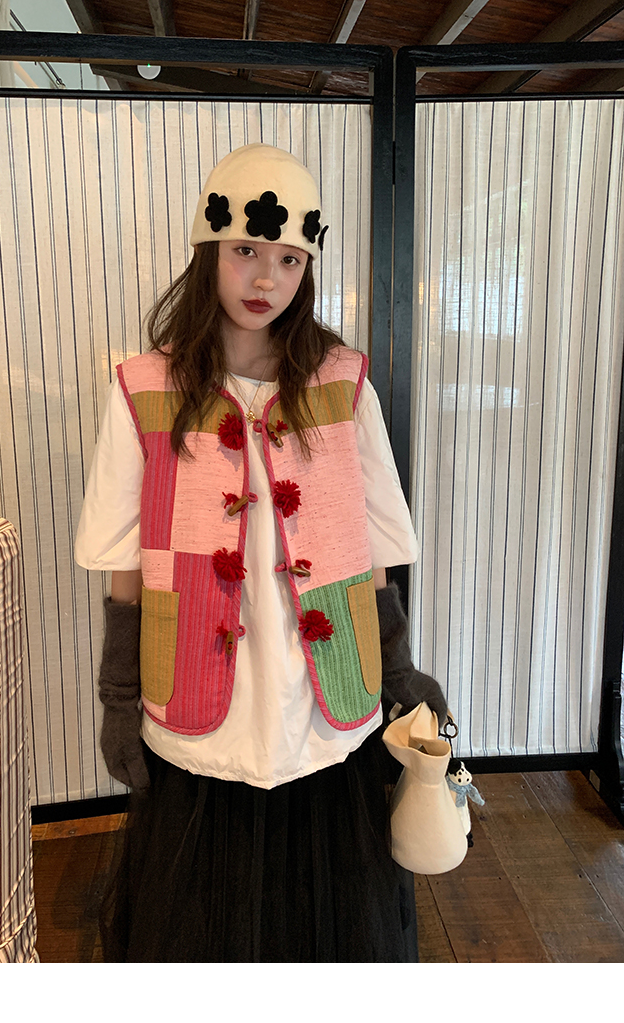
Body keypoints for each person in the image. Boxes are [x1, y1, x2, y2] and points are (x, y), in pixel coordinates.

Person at [74, 143, 447, 963]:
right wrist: (118, 695)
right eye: (245, 250)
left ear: (306, 268)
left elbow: (375, 549)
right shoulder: (144, 388)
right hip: (201, 693)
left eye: (287, 258)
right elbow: (124, 561)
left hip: (322, 693)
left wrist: (398, 667)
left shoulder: (342, 384)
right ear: (209, 250)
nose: (265, 278)